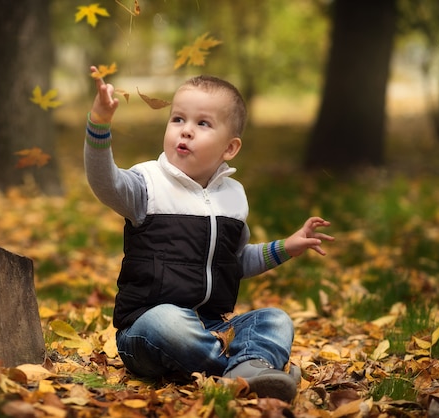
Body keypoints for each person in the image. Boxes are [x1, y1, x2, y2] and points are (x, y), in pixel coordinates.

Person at [84, 66, 334, 402]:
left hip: (212, 329)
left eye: (202, 123)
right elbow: (105, 183)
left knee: (275, 320)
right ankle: (248, 371)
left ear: (230, 148)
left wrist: (286, 248)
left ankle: (241, 371)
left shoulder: (233, 197)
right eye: (178, 119)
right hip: (145, 329)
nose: (185, 131)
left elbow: (236, 262)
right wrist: (99, 123)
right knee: (169, 322)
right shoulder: (147, 184)